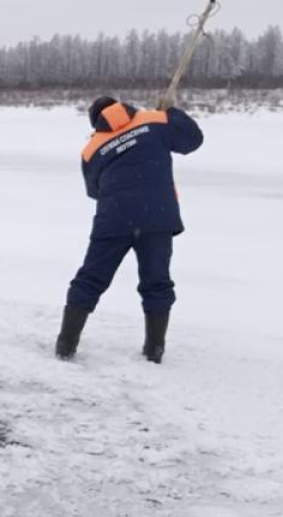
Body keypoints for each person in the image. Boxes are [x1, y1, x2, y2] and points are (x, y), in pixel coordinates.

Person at [55, 95, 204, 363]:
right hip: (157, 217)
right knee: (156, 282)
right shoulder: (154, 120)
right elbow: (193, 139)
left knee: (90, 280)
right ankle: (154, 350)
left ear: (96, 122)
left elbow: (94, 190)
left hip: (113, 219)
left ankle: (65, 345)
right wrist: (172, 112)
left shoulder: (91, 149)